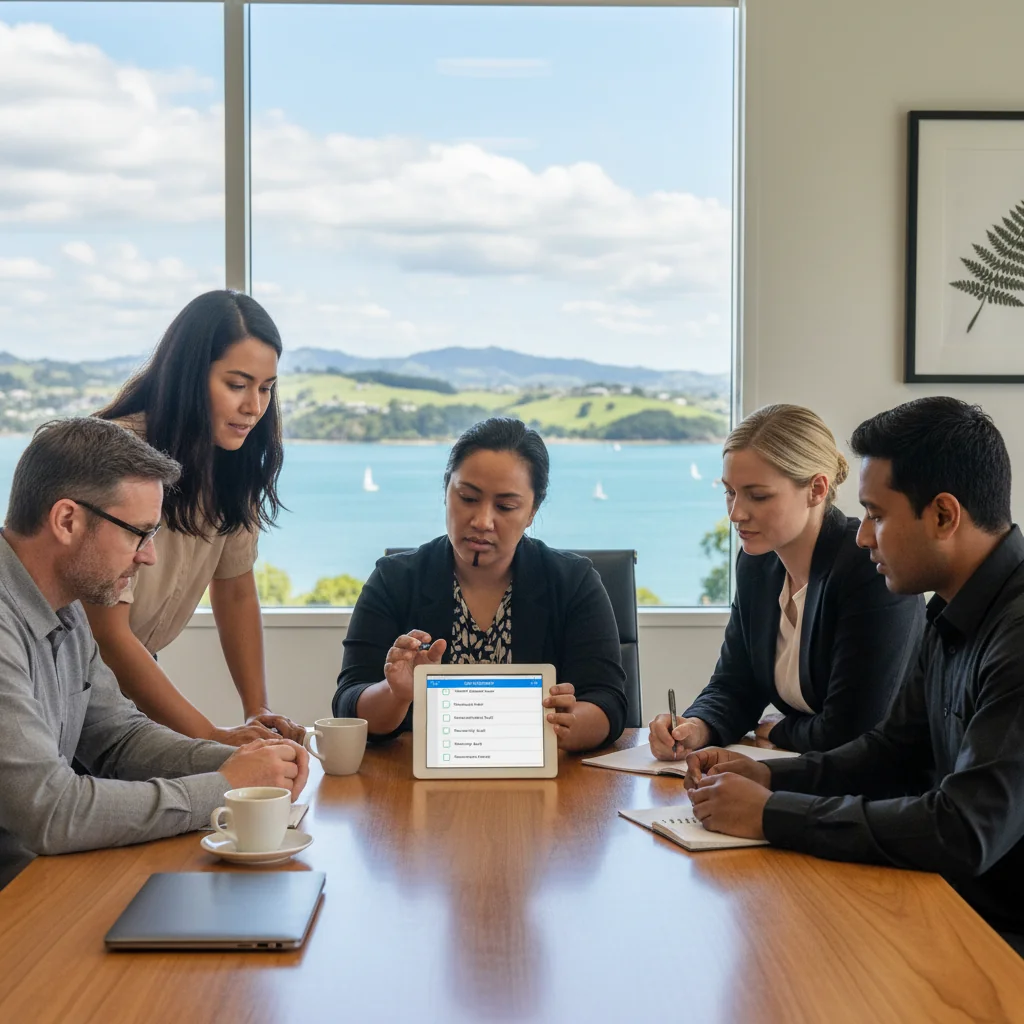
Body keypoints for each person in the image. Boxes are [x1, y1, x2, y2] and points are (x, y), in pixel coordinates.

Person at [683, 397, 1024, 952]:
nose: (863, 536)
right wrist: (768, 778)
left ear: (943, 516)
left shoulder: (1015, 634)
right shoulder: (951, 609)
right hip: (949, 902)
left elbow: (965, 830)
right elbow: (892, 751)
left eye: (877, 515)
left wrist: (772, 814)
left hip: (995, 932)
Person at [0, 418, 308, 888]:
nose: (149, 556)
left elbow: (119, 738)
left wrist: (246, 762)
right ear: (67, 521)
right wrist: (226, 786)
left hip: (39, 882)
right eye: (137, 533)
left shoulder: (67, 607)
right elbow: (51, 811)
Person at [86, 291, 303, 745]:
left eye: (266, 388)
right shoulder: (116, 457)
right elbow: (107, 635)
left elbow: (236, 589)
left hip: (131, 672)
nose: (254, 406)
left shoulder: (233, 461)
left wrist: (257, 710)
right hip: (67, 674)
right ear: (189, 376)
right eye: (237, 384)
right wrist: (211, 736)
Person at [333, 417, 627, 752]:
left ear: (532, 511)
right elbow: (348, 704)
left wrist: (568, 724)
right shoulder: (394, 579)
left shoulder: (574, 582)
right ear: (446, 491)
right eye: (468, 498)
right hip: (415, 776)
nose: (482, 521)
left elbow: (609, 702)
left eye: (505, 506)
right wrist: (396, 693)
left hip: (543, 775)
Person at [649, 404, 924, 759]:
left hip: (882, 781)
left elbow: (854, 729)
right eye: (730, 492)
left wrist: (780, 729)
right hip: (807, 773)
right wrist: (696, 727)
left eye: (758, 496)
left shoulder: (867, 567)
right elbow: (735, 684)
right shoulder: (756, 564)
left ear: (816, 489)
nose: (735, 513)